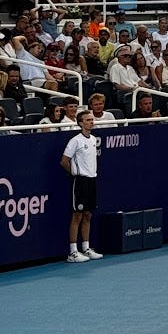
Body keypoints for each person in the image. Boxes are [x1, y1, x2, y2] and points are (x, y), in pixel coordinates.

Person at [60, 109, 103, 263]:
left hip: (92, 181)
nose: (91, 122)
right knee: (77, 215)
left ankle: (86, 248)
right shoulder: (75, 141)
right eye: (88, 120)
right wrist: (75, 174)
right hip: (80, 181)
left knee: (88, 215)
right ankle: (73, 252)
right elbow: (64, 161)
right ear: (80, 123)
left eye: (92, 120)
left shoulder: (92, 139)